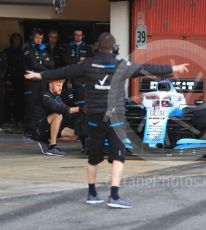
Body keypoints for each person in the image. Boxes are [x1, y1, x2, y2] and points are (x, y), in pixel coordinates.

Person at [25, 32, 189, 209]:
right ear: (115, 48)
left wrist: (38, 76)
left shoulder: (87, 64)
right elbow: (146, 68)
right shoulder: (122, 65)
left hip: (94, 117)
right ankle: (114, 195)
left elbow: (63, 71)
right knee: (119, 156)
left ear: (97, 48)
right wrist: (173, 68)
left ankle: (92, 193)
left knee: (93, 158)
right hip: (115, 118)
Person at [32, 79, 79, 156]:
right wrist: (79, 109)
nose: (60, 87)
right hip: (38, 130)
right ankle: (52, 147)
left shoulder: (57, 97)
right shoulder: (45, 95)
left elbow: (65, 109)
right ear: (50, 85)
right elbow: (58, 108)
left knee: (75, 135)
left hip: (48, 129)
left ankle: (47, 140)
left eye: (61, 85)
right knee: (57, 115)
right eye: (58, 85)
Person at [64, 29, 92, 152]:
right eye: (76, 35)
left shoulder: (88, 48)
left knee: (87, 115)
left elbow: (91, 62)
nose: (78, 36)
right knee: (79, 115)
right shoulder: (68, 47)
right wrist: (79, 61)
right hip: (73, 82)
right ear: (73, 36)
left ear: (83, 36)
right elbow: (66, 62)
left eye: (80, 35)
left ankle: (87, 144)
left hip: (86, 83)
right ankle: (83, 143)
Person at [23, 28, 54, 138]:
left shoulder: (43, 49)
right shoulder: (27, 49)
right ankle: (28, 131)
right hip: (31, 83)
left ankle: (38, 129)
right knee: (31, 106)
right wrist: (45, 67)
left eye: (41, 38)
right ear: (32, 38)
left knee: (42, 106)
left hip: (42, 82)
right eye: (37, 37)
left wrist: (42, 58)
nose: (39, 40)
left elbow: (52, 63)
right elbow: (33, 64)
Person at [3, 33, 25, 128]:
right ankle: (7, 120)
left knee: (19, 101)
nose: (17, 41)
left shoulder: (22, 52)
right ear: (12, 40)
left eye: (19, 39)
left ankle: (18, 120)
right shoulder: (6, 52)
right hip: (8, 80)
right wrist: (5, 79)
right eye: (15, 39)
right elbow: (4, 67)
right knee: (7, 101)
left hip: (20, 81)